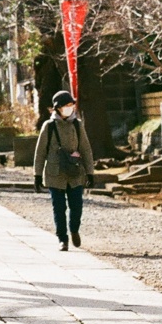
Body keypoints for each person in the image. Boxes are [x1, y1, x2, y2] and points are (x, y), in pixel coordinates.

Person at [34, 89, 94, 251]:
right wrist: (37, 175)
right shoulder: (49, 126)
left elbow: (86, 149)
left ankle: (74, 229)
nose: (70, 108)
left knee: (77, 206)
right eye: (66, 105)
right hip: (55, 173)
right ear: (57, 107)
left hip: (75, 172)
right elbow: (40, 152)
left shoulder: (77, 124)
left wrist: (90, 172)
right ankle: (62, 238)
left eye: (71, 105)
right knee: (58, 208)